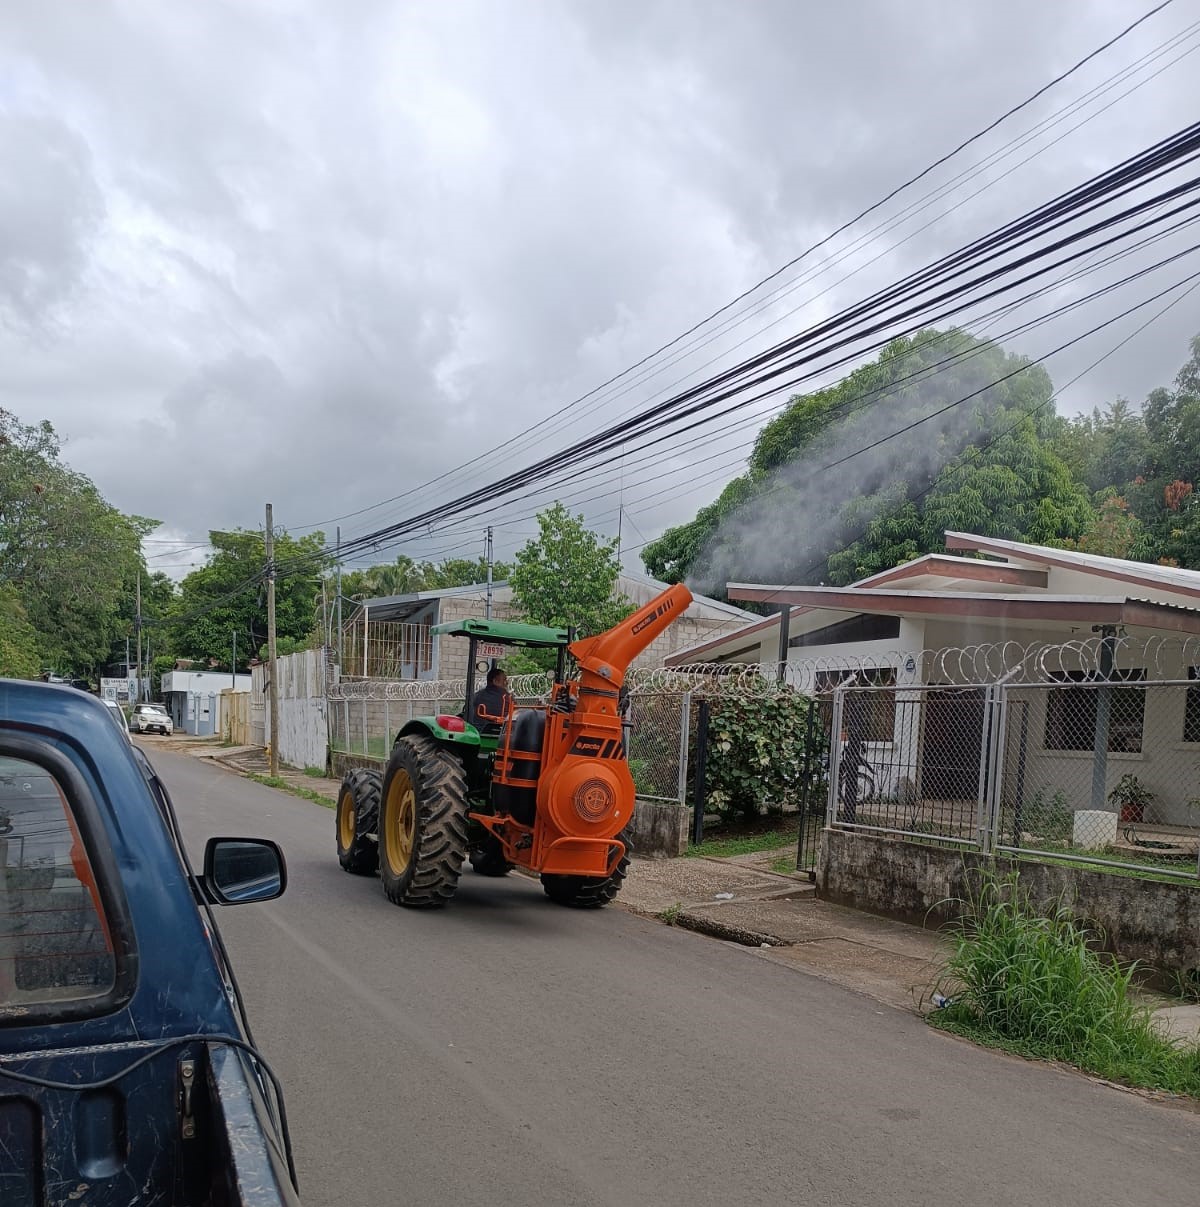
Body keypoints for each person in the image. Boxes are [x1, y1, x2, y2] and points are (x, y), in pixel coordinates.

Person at [471, 667, 511, 733]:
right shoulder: (507, 697)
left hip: (477, 731)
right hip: (502, 733)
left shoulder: (477, 696)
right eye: (504, 680)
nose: (506, 683)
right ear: (495, 681)